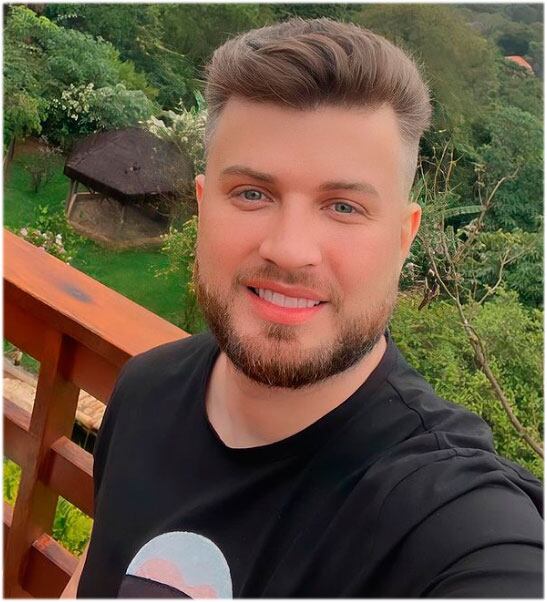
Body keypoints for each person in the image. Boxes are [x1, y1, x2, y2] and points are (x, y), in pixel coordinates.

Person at [65, 18, 543, 598]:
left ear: (403, 238)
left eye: (343, 207)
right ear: (203, 207)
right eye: (252, 194)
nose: (289, 249)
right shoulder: (145, 390)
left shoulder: (446, 520)